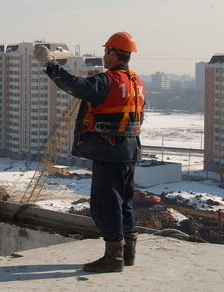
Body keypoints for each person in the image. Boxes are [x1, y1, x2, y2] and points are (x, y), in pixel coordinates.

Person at [33, 32, 145, 273]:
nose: (104, 56)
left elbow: (77, 86)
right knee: (123, 201)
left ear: (113, 54)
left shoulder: (110, 80)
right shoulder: (136, 81)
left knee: (105, 204)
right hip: (129, 150)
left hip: (109, 151)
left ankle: (113, 257)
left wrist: (49, 65)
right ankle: (128, 254)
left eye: (106, 52)